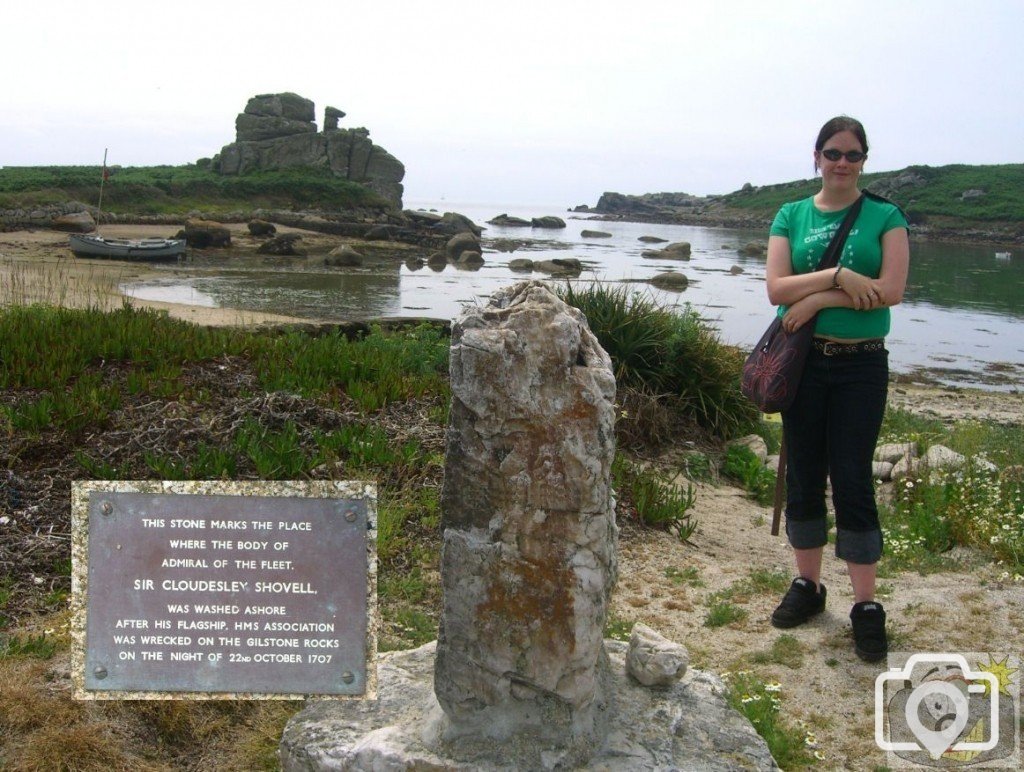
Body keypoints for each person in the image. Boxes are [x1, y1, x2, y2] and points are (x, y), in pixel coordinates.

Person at [763, 115, 910, 662]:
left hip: (860, 366)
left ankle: (866, 606)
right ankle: (809, 587)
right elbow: (776, 286)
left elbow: (891, 291)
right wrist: (838, 278)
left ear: (864, 160)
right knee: (804, 474)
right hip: (804, 366)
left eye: (852, 154)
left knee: (852, 478)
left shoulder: (885, 216)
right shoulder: (792, 214)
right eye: (833, 153)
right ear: (817, 156)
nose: (842, 163)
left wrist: (817, 300)